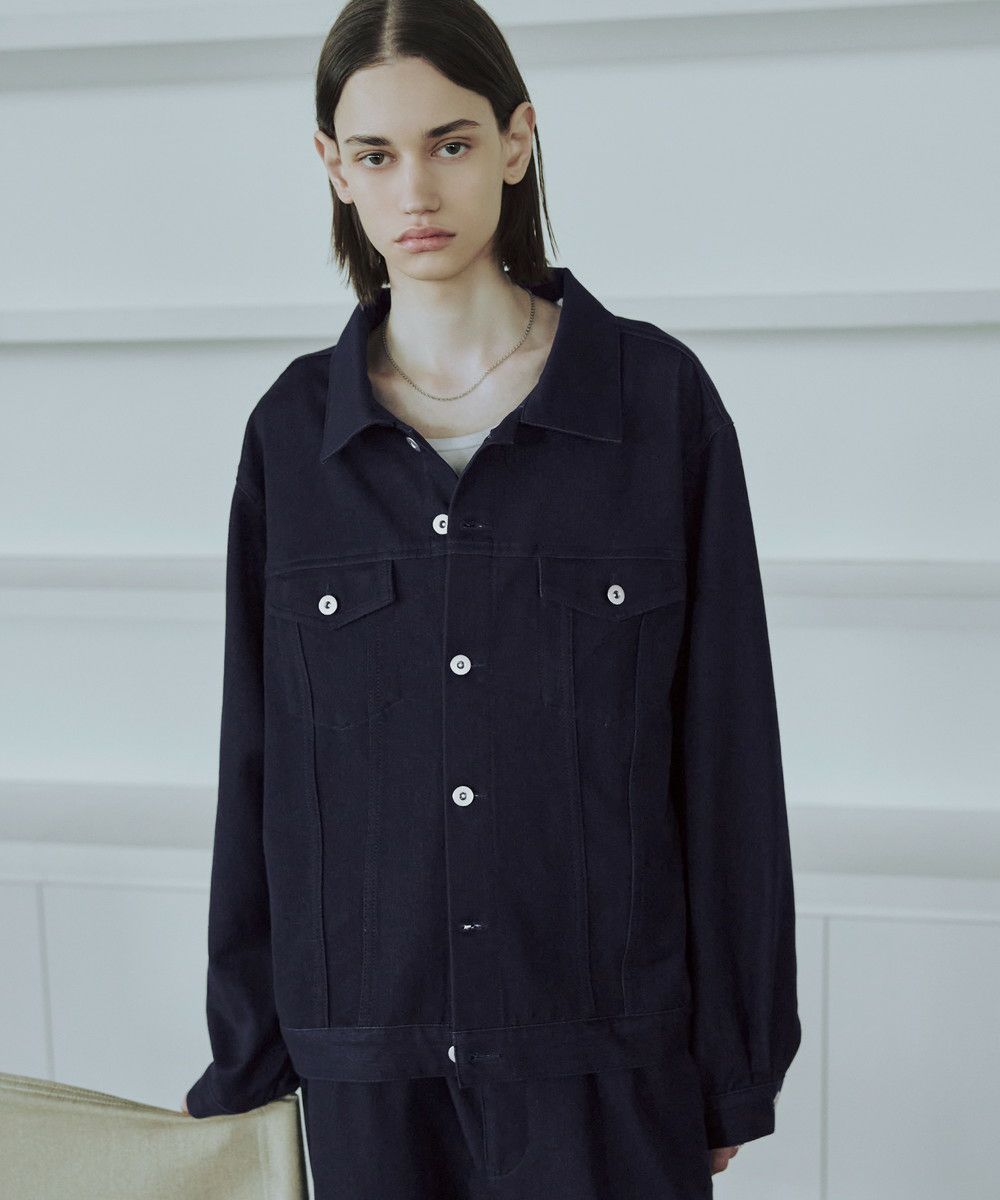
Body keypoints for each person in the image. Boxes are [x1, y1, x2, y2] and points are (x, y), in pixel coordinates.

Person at [182, 1, 801, 1196]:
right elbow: (258, 768)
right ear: (333, 167)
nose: (415, 188)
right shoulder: (292, 436)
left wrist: (732, 1065)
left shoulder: (655, 404)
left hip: (605, 1064)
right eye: (376, 154)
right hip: (367, 1076)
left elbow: (727, 754)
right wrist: (248, 1060)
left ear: (515, 142)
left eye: (450, 143)